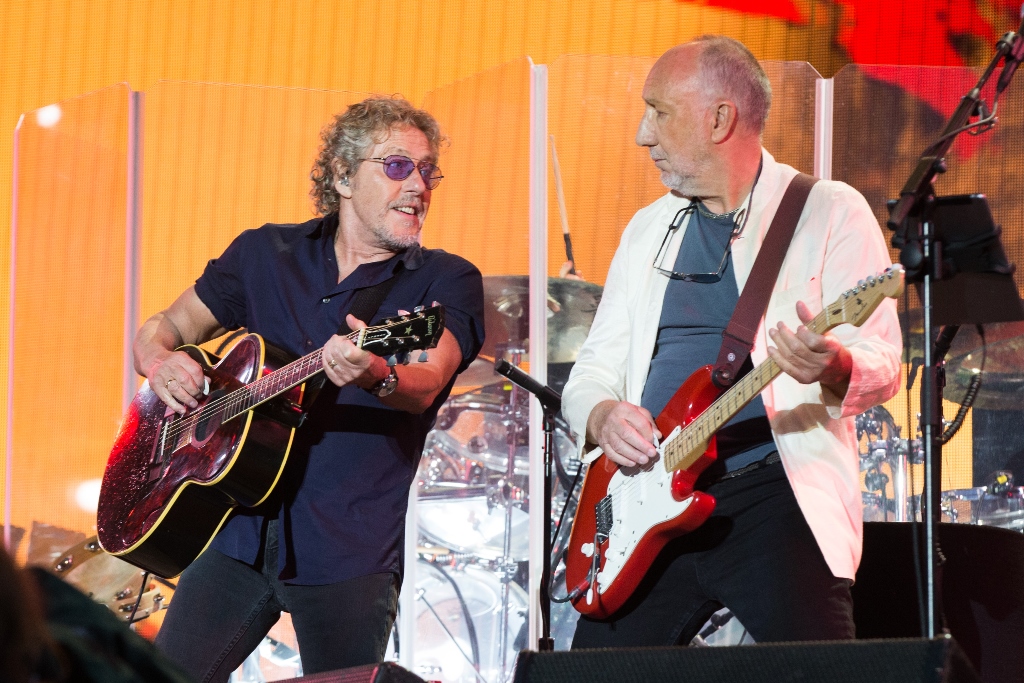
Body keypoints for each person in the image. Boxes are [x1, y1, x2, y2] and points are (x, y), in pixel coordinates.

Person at [561, 36, 901, 646]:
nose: (643, 133)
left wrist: (833, 363)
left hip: (775, 489)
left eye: (658, 111)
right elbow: (590, 373)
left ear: (720, 118)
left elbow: (882, 363)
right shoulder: (645, 230)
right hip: (649, 498)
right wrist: (604, 415)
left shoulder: (827, 210)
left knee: (821, 668)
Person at [137, 97, 485, 681]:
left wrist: (378, 373)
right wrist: (159, 360)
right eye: (398, 166)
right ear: (343, 175)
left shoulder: (445, 279)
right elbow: (164, 328)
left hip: (349, 547)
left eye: (428, 171)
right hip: (235, 531)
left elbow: (426, 381)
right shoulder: (263, 254)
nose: (419, 186)